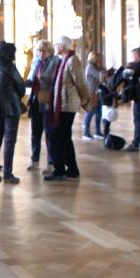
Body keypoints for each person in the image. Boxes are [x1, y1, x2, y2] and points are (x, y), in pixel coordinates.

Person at [43, 36, 92, 181]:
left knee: (57, 136)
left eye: (57, 44)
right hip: (62, 104)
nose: (55, 46)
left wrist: (86, 100)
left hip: (68, 105)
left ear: (63, 46)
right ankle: (72, 169)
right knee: (64, 137)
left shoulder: (73, 60)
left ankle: (59, 170)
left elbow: (81, 82)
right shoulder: (64, 60)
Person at [0, 42, 26, 183]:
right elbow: (21, 88)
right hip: (10, 106)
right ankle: (8, 174)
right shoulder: (10, 68)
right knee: (9, 140)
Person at [24, 40, 59, 172]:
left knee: (49, 133)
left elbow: (55, 79)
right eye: (39, 50)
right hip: (35, 100)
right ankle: (35, 160)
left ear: (50, 51)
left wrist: (41, 78)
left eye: (43, 51)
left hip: (47, 100)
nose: (40, 53)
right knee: (35, 132)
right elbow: (31, 79)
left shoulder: (55, 61)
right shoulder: (35, 62)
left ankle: (51, 163)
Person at [82, 52, 104, 139]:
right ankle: (86, 133)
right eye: (99, 58)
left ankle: (97, 132)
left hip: (97, 92)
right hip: (92, 92)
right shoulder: (90, 67)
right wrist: (103, 70)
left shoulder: (96, 67)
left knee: (99, 112)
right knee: (90, 112)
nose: (100, 59)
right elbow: (101, 77)